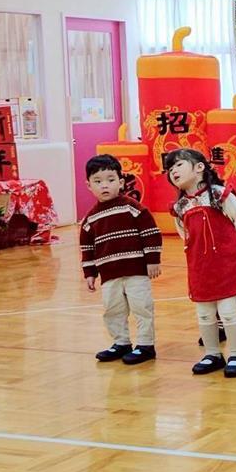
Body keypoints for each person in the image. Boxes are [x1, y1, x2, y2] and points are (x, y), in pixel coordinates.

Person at [166, 149, 236, 378]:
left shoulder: (219, 194)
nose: (173, 171)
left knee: (228, 311)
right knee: (205, 313)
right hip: (200, 266)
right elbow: (184, 233)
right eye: (170, 168)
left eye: (179, 165)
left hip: (226, 264)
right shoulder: (181, 206)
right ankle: (212, 354)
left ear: (199, 167)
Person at [80, 154, 161, 365]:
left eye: (110, 179)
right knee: (112, 309)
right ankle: (121, 342)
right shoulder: (90, 218)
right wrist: (90, 273)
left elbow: (151, 233)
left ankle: (145, 345)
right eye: (98, 181)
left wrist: (153, 260)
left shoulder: (132, 208)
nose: (104, 185)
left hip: (136, 271)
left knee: (142, 307)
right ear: (89, 185)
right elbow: (87, 248)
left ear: (121, 182)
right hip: (110, 275)